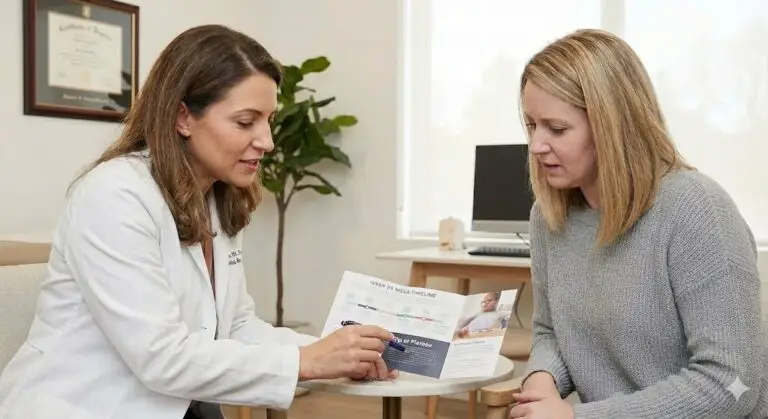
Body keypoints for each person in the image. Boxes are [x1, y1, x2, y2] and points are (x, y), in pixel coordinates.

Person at [0, 25, 397, 419]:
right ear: (182, 117)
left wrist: (337, 351)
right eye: (245, 122)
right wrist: (306, 361)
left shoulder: (216, 197)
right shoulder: (113, 195)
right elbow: (160, 358)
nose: (268, 141)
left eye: (269, 120)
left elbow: (236, 327)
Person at [508, 29, 768, 419]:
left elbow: (731, 384)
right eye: (531, 125)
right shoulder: (548, 217)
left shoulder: (697, 210)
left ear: (612, 126)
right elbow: (551, 332)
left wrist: (577, 417)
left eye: (556, 129)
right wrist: (541, 379)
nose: (536, 145)